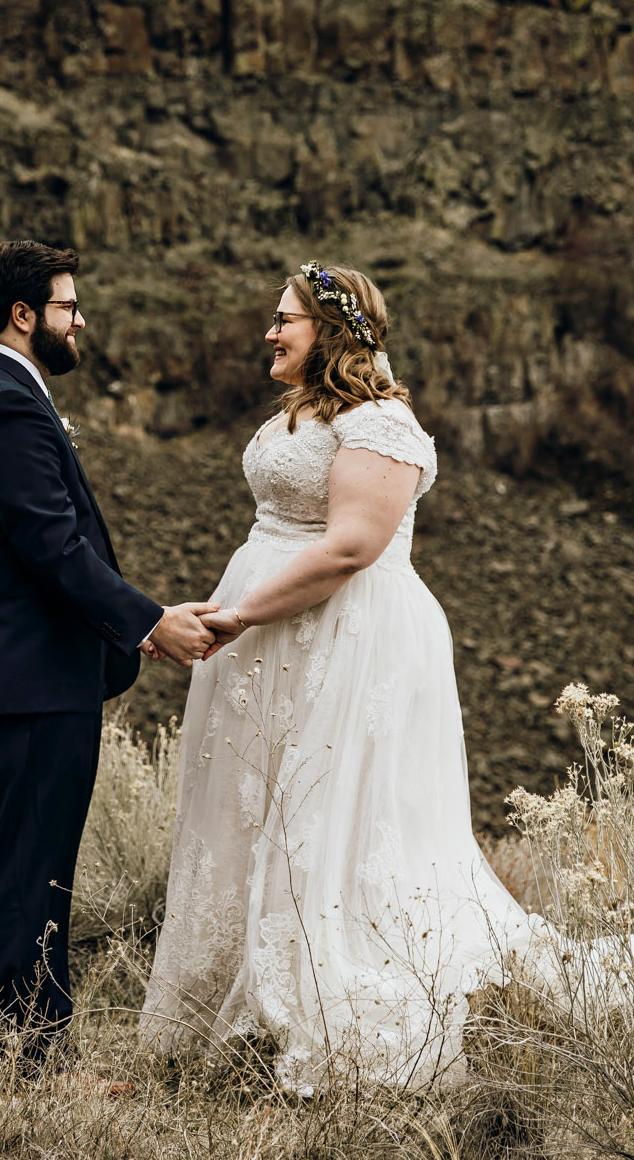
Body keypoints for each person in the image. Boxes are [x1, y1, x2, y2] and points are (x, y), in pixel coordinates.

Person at [139, 261, 543, 1091]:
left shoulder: (380, 423)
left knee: (333, 822)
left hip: (347, 643)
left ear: (329, 329)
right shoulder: (300, 412)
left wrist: (240, 614)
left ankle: (320, 1007)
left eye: (285, 317)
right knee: (249, 817)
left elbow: (353, 547)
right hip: (270, 643)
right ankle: (216, 1016)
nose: (270, 330)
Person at [0, 239, 219, 1073]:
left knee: (27, 863)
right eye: (67, 305)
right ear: (24, 315)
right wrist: (151, 622)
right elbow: (54, 547)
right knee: (30, 870)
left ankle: (29, 1041)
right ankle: (32, 1053)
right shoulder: (6, 403)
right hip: (26, 679)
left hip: (23, 676)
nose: (81, 318)